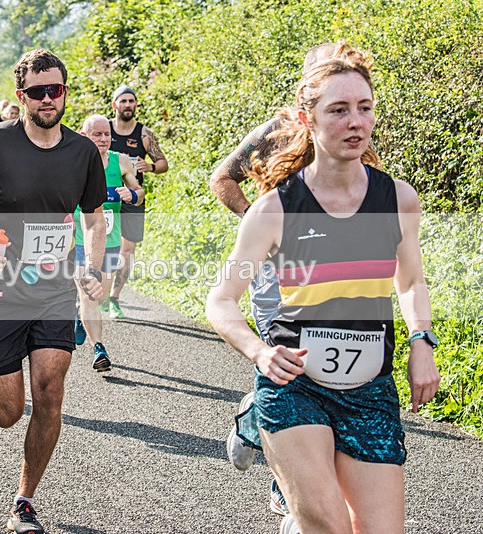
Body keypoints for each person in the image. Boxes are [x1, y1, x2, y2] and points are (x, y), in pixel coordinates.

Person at [205, 50, 440, 534]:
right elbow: (221, 299)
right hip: (294, 383)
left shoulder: (397, 199)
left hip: (370, 387)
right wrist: (258, 352)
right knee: (330, 524)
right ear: (306, 118)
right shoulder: (275, 210)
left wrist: (422, 342)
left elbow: (412, 281)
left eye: (364, 107)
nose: (356, 122)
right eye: (338, 110)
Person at [0, 49, 106, 534]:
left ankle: (23, 502)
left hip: (54, 292)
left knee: (50, 393)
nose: (48, 99)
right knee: (8, 414)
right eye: (38, 92)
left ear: (66, 92)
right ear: (22, 97)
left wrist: (91, 266)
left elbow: (94, 217)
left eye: (56, 90)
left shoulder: (82, 153)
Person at [210, 42, 371, 517]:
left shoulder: (352, 128)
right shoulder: (275, 130)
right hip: (276, 273)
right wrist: (269, 234)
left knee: (327, 363)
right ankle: (289, 478)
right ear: (307, 87)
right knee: (293, 357)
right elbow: (222, 180)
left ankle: (255, 421)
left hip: (333, 272)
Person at [74, 114, 143, 372]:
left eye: (106, 134)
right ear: (84, 136)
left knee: (100, 294)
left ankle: (80, 317)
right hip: (81, 241)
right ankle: (99, 348)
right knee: (89, 294)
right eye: (97, 134)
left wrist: (133, 193)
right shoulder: (74, 163)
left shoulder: (120, 162)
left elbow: (139, 194)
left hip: (111, 241)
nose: (103, 139)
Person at [107, 85, 169, 318]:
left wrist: (150, 166)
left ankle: (114, 297)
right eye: (123, 101)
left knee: (128, 248)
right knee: (103, 245)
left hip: (133, 195)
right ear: (115, 105)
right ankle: (98, 290)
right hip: (106, 197)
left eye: (131, 101)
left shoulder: (144, 135)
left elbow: (163, 163)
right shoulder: (104, 131)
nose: (128, 105)